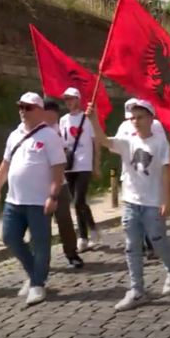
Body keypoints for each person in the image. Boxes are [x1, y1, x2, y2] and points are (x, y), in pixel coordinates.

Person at [86, 100, 170, 310]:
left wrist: (167, 200)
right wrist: (93, 121)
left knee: (158, 242)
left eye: (141, 117)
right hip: (131, 202)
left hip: (153, 202)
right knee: (131, 246)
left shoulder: (159, 142)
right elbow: (104, 140)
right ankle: (137, 290)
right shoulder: (127, 141)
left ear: (151, 119)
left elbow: (166, 173)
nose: (136, 121)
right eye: (133, 117)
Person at [0, 92, 66, 305]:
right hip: (14, 200)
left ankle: (37, 284)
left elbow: (58, 169)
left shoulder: (50, 136)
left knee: (40, 243)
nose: (23, 111)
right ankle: (34, 273)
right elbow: (5, 164)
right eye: (20, 107)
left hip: (39, 201)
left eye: (28, 107)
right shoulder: (15, 135)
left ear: (40, 111)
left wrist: (53, 195)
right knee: (9, 237)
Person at [116, 98, 161, 258]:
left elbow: (159, 146)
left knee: (148, 211)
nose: (134, 119)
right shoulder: (124, 127)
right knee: (133, 212)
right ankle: (138, 244)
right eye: (131, 113)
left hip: (150, 175)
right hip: (131, 173)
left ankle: (152, 244)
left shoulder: (155, 126)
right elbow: (115, 147)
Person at [59, 87, 101, 252]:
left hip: (84, 164)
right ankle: (86, 234)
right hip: (69, 165)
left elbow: (95, 142)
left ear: (78, 99)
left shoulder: (87, 119)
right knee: (78, 203)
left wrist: (96, 164)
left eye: (71, 99)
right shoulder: (63, 120)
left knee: (78, 200)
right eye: (66, 99)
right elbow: (61, 142)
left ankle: (87, 232)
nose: (68, 102)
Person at [44, 99, 84, 268]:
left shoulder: (57, 130)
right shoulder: (32, 131)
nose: (53, 118)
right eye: (50, 115)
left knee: (64, 219)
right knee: (40, 223)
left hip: (59, 181)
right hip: (37, 184)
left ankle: (71, 252)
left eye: (55, 115)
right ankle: (41, 258)